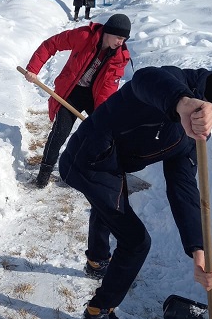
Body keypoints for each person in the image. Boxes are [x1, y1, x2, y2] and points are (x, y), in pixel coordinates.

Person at [58, 65, 212, 319]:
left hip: (110, 164)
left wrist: (197, 248)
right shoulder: (174, 83)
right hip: (88, 160)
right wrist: (184, 104)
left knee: (111, 205)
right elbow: (145, 78)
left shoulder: (195, 134)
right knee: (136, 241)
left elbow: (183, 186)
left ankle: (96, 261)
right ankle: (97, 313)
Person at [22, 14, 132, 189]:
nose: (121, 42)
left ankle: (101, 172)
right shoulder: (84, 36)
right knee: (60, 132)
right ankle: (44, 173)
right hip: (72, 91)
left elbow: (108, 90)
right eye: (119, 37)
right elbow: (52, 44)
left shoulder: (119, 57)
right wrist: (33, 69)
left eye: (124, 39)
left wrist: (102, 117)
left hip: (94, 97)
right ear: (108, 32)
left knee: (104, 134)